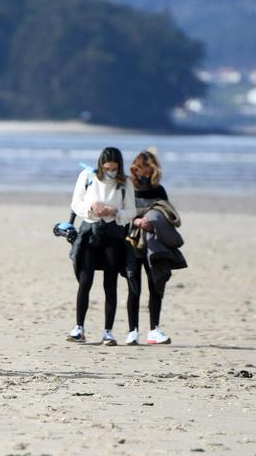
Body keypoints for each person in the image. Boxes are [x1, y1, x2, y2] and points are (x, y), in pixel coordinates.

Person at [67, 147, 135, 346]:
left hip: (114, 234)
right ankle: (79, 327)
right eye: (107, 168)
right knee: (85, 280)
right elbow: (76, 203)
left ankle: (108, 331)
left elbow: (131, 210)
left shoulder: (125, 182)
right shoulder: (88, 176)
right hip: (90, 231)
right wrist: (92, 208)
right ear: (100, 165)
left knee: (110, 282)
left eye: (114, 168)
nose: (110, 172)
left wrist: (116, 211)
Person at [125, 150, 185, 345]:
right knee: (134, 287)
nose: (146, 173)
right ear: (135, 169)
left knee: (155, 285)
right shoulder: (127, 188)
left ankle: (154, 330)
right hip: (132, 244)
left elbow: (167, 215)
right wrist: (137, 221)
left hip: (154, 245)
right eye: (143, 169)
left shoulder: (159, 190)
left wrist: (154, 221)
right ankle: (132, 331)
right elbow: (120, 215)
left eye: (150, 170)